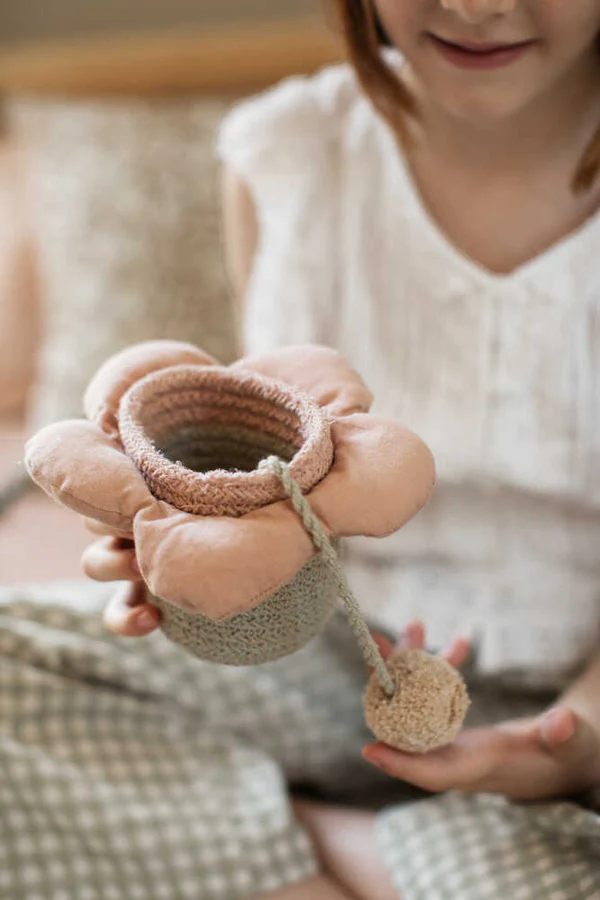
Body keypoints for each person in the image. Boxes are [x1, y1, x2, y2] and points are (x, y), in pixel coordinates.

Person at [4, 0, 600, 898]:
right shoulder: (285, 154)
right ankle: (362, 852)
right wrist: (200, 556)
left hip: (575, 691)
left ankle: (311, 842)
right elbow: (276, 451)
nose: (478, 4)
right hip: (323, 647)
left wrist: (570, 747)